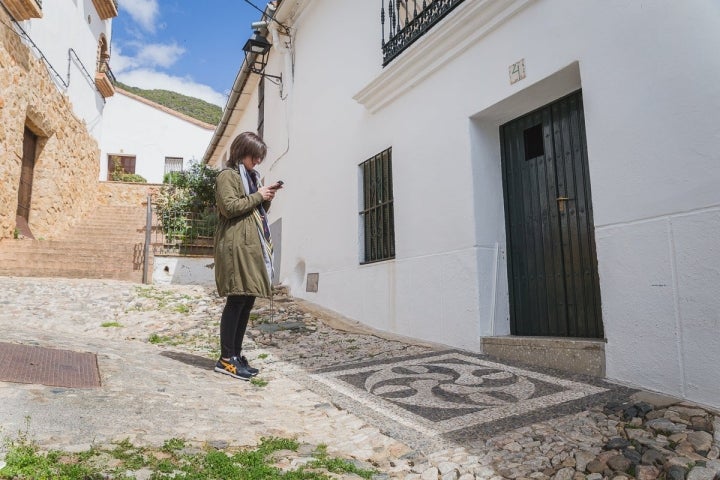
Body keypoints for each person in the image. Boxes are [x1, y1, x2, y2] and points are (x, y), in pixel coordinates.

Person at [213, 131, 282, 380]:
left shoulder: (251, 177)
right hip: (235, 246)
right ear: (243, 152)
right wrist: (257, 196)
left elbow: (254, 210)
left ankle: (236, 355)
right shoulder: (227, 176)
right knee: (236, 300)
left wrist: (266, 198)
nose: (258, 162)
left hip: (251, 246)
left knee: (247, 300)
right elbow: (229, 208)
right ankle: (225, 358)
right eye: (255, 156)